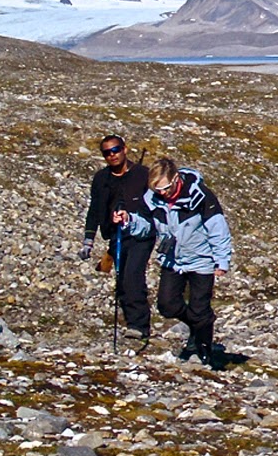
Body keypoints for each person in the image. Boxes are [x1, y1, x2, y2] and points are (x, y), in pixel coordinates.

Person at [113, 157, 233, 368]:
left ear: (176, 178)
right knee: (167, 306)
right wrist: (129, 221)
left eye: (166, 188)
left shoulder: (201, 196)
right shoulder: (152, 198)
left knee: (199, 308)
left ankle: (203, 352)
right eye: (157, 190)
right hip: (172, 259)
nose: (162, 193)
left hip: (201, 260)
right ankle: (199, 326)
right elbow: (146, 226)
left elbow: (218, 228)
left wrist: (221, 260)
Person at [80, 135, 153, 343]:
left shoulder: (142, 175)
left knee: (133, 275)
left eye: (116, 150)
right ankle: (132, 321)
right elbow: (94, 209)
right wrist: (89, 239)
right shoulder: (101, 179)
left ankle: (139, 325)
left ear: (125, 149)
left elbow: (156, 206)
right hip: (115, 234)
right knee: (122, 278)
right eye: (107, 152)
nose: (112, 155)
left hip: (141, 234)